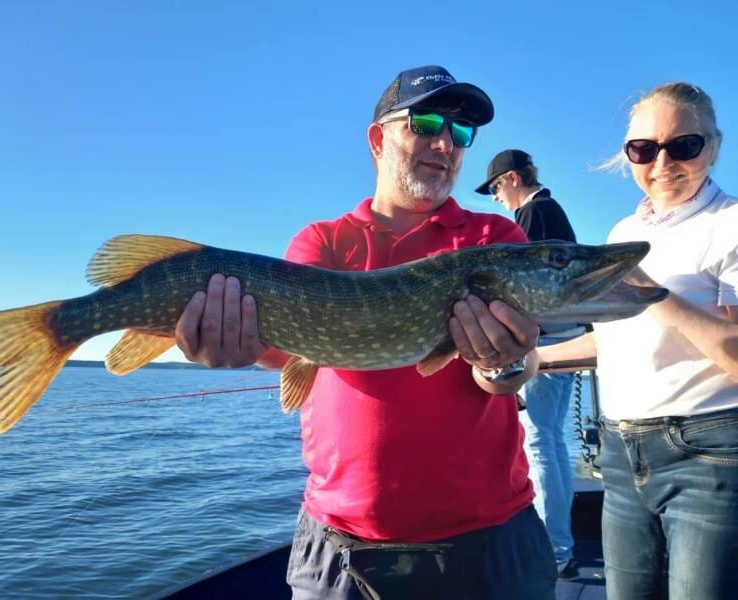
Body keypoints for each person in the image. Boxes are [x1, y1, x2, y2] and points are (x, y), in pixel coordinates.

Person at [175, 65, 557, 598]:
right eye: (424, 123)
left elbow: (518, 370)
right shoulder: (324, 242)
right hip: (344, 548)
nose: (445, 142)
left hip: (493, 540)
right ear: (378, 139)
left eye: (460, 132)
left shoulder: (494, 236)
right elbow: (287, 351)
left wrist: (507, 362)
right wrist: (226, 345)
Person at [539, 82, 738, 599]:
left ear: (713, 146)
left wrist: (652, 292)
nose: (662, 161)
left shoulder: (730, 224)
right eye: (644, 149)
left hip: (708, 454)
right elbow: (616, 343)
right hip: (621, 457)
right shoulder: (623, 231)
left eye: (685, 145)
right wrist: (530, 358)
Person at [475, 149, 583, 578]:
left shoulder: (534, 214)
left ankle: (555, 549)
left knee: (540, 442)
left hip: (550, 345)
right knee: (552, 442)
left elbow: (522, 299)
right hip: (568, 340)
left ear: (513, 178)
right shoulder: (548, 210)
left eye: (497, 187)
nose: (496, 197)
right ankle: (561, 544)